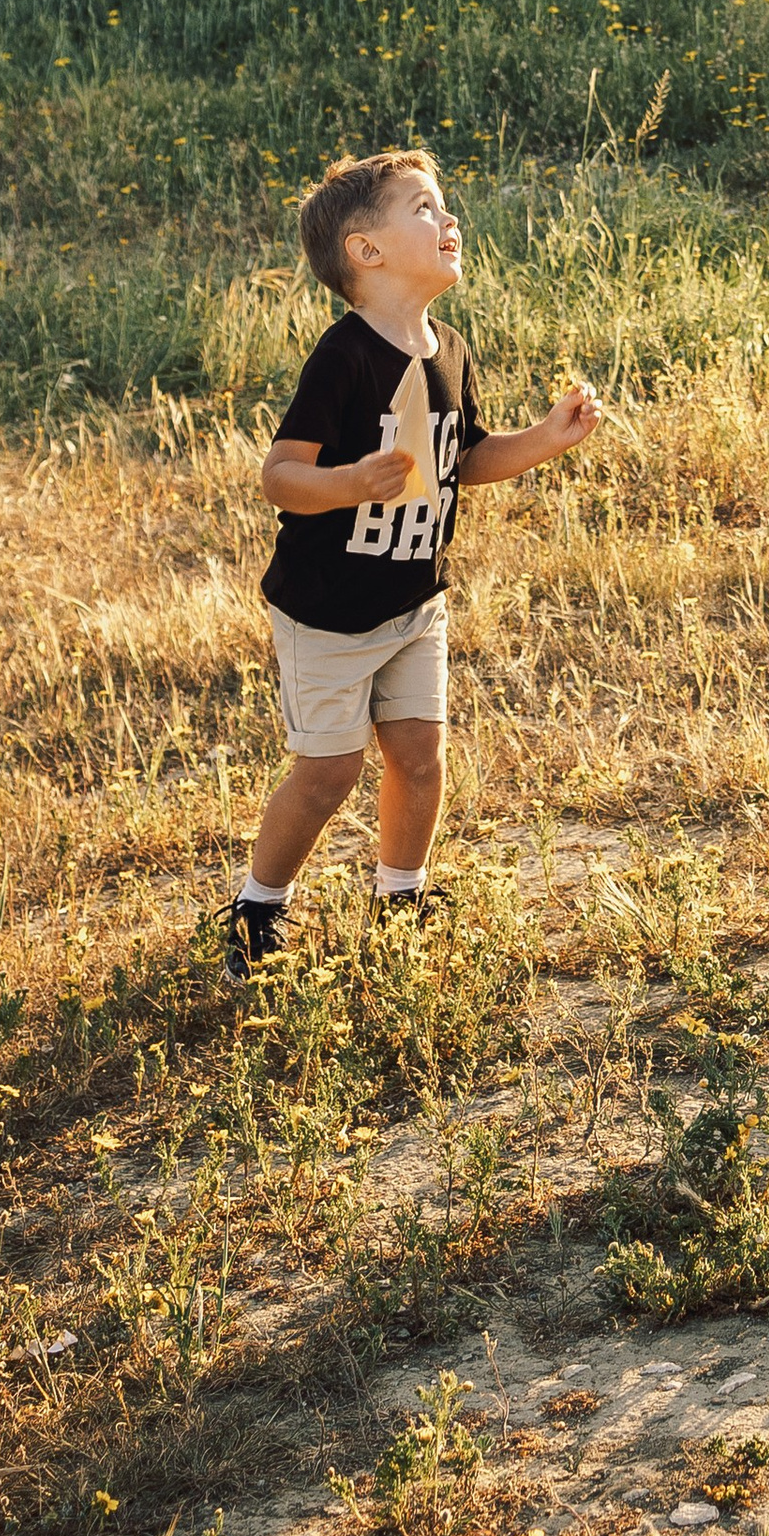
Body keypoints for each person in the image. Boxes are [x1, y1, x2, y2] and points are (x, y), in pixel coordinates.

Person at [226, 147, 597, 977]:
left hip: (414, 600)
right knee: (328, 773)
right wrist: (348, 480)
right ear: (367, 251)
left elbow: (463, 456)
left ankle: (402, 900)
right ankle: (259, 907)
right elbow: (279, 477)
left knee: (421, 757)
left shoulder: (449, 347)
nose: (450, 218)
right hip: (327, 609)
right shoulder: (346, 355)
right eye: (426, 208)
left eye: (444, 205)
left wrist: (544, 438)